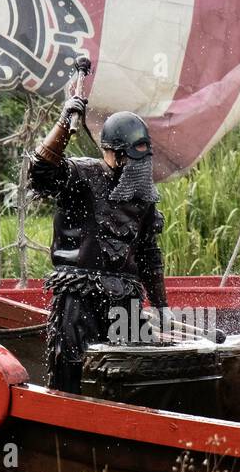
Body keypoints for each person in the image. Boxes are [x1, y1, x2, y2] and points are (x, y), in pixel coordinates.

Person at [28, 96, 168, 393]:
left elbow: (148, 256)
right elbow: (41, 171)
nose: (137, 164)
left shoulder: (144, 197)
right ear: (112, 152)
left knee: (133, 380)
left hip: (125, 304)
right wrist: (65, 123)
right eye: (131, 157)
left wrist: (161, 306)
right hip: (79, 301)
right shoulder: (83, 176)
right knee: (73, 376)